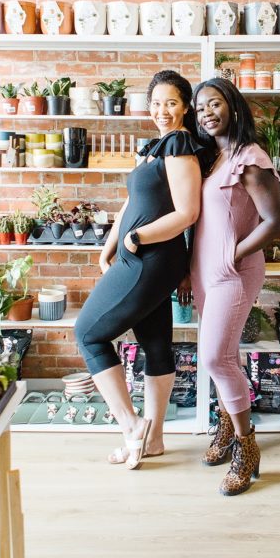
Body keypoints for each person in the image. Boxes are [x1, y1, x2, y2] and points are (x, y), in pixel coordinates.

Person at [74, 70, 203, 469]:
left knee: (88, 334)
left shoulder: (180, 146)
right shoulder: (155, 148)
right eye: (156, 103)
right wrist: (109, 245)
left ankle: (132, 426)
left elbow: (188, 212)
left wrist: (136, 240)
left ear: (185, 107)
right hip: (142, 257)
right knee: (156, 345)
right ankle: (156, 439)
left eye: (171, 103)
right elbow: (130, 205)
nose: (162, 110)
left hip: (151, 258)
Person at [188, 78, 280, 496]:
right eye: (199, 108)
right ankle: (228, 427)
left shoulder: (249, 158)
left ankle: (246, 448)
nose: (206, 113)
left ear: (233, 106)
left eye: (214, 104)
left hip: (234, 271)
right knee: (225, 357)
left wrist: (234, 254)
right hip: (204, 271)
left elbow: (276, 221)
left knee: (214, 358)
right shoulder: (214, 158)